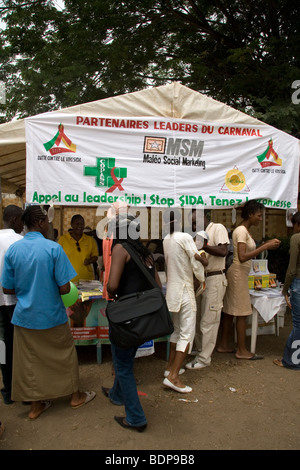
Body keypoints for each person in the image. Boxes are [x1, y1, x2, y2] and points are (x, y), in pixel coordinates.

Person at [1, 206, 96, 419]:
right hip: (52, 314)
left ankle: (36, 406)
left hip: (25, 316)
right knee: (66, 355)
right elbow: (64, 288)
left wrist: (28, 287)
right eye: (46, 221)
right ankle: (75, 396)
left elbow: (7, 288)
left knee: (30, 362)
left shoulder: (14, 250)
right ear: (41, 223)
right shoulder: (53, 249)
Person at [103, 214, 160, 432]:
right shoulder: (145, 254)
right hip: (144, 318)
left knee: (123, 366)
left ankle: (136, 418)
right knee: (124, 359)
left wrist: (109, 283)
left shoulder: (120, 250)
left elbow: (113, 287)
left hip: (125, 317)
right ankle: (117, 394)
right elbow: (157, 285)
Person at [218, 200, 281, 359]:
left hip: (239, 273)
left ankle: (224, 345)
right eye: (259, 215)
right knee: (241, 312)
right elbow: (242, 256)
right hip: (238, 272)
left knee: (230, 312)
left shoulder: (244, 230)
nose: (260, 219)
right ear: (250, 214)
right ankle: (241, 350)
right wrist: (264, 246)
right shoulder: (241, 231)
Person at [162, 209, 205, 393]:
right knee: (187, 333)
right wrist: (202, 278)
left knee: (177, 331)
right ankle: (173, 377)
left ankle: (170, 368)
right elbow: (196, 263)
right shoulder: (185, 237)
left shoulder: (166, 239)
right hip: (185, 290)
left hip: (172, 290)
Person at [186, 209, 229, 370]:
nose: (195, 225)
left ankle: (204, 358)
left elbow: (223, 251)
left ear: (205, 217)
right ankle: (199, 349)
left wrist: (204, 246)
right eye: (193, 224)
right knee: (197, 318)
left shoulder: (217, 228)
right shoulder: (199, 235)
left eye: (196, 222)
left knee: (209, 319)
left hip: (215, 278)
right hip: (202, 279)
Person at [0, 205, 24, 405]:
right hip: (14, 302)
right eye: (22, 220)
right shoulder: (19, 241)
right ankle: (21, 390)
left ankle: (7, 390)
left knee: (3, 346)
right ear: (15, 219)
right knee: (19, 346)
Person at [274, 211, 300, 369]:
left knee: (297, 324)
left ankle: (291, 361)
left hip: (298, 283)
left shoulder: (296, 238)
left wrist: (285, 290)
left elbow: (291, 268)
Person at [58, 214, 98, 283]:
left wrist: (89, 260)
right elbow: (58, 258)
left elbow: (95, 256)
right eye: (77, 224)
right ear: (71, 224)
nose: (79, 226)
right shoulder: (63, 240)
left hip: (87, 280)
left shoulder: (90, 240)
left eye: (81, 224)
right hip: (68, 280)